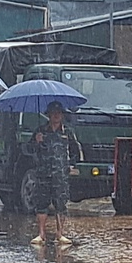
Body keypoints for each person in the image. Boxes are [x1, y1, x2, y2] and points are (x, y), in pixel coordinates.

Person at [31, 100, 82, 247]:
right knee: (41, 204)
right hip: (43, 174)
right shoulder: (40, 131)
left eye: (58, 113)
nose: (56, 116)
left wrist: (71, 165)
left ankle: (60, 234)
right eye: (53, 113)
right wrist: (36, 141)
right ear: (48, 115)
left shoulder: (68, 132)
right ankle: (41, 234)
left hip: (61, 175)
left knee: (61, 204)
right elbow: (29, 150)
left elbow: (76, 151)